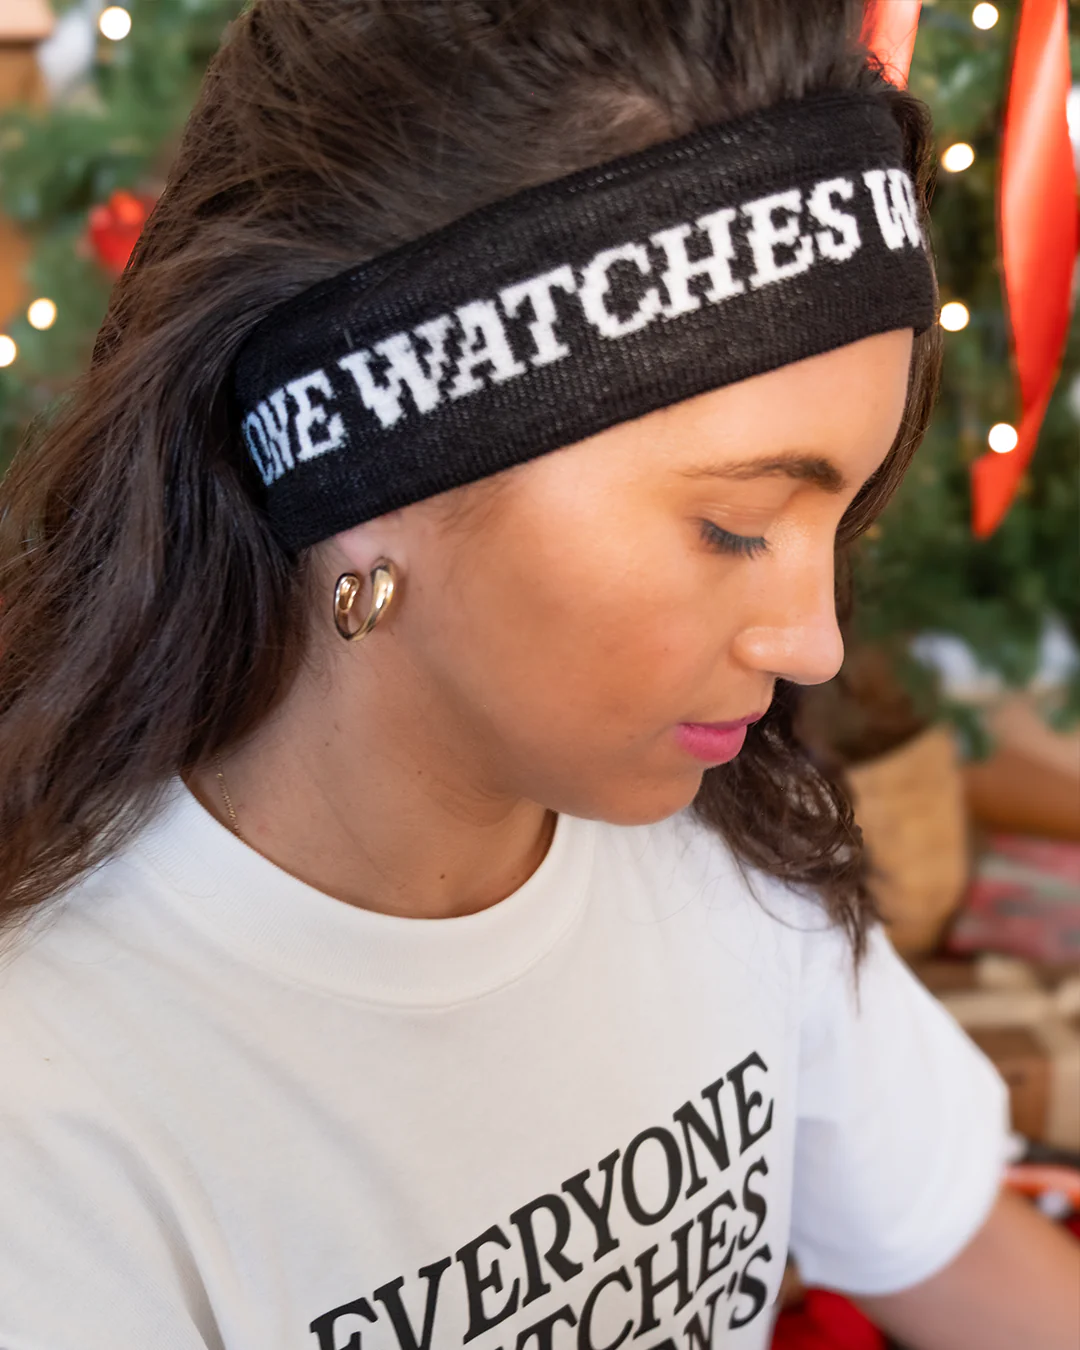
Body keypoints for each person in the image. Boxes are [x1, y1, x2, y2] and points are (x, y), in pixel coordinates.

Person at [0, 1, 1076, 1347]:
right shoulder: (52, 1113)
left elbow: (961, 1249)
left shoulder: (726, 849)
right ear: (367, 470)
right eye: (735, 525)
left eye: (841, 518)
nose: (816, 643)